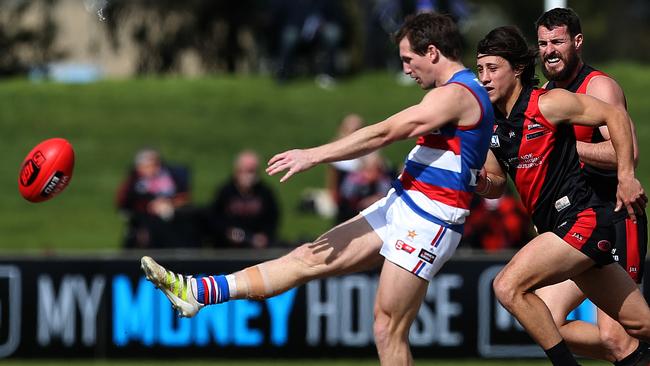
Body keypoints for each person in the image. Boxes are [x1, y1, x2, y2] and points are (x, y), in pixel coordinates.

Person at [141, 12, 494, 365]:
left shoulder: (457, 94)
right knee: (306, 258)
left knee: (387, 328)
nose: (405, 69)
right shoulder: (454, 95)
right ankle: (197, 292)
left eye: (408, 59)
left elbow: (385, 132)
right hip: (402, 204)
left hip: (429, 220)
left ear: (432, 52)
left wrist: (313, 155)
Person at [474, 25, 650, 366]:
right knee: (637, 325)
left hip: (583, 220)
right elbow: (495, 182)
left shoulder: (548, 103)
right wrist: (480, 181)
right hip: (562, 230)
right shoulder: (490, 125)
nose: (484, 78)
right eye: (480, 69)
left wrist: (626, 176)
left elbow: (613, 115)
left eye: (492, 68)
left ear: (517, 69)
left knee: (507, 286)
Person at [531, 8, 649, 365]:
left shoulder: (598, 87)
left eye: (557, 41)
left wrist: (565, 146)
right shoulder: (546, 96)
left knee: (618, 336)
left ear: (577, 42)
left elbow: (625, 152)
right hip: (576, 225)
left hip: (615, 220)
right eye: (542, 43)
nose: (549, 50)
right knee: (544, 319)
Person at [116, 148, 197, 248]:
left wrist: (169, 203)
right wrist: (151, 205)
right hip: (146, 216)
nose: (149, 169)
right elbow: (125, 202)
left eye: (152, 165)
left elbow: (184, 197)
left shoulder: (171, 176)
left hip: (174, 211)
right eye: (144, 166)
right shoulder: (135, 182)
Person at [207, 150, 280, 248]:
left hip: (256, 248)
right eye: (247, 171)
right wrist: (227, 233)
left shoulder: (265, 193)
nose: (250, 176)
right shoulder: (225, 192)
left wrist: (264, 236)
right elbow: (214, 218)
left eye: (253, 171)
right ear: (237, 171)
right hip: (227, 247)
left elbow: (272, 218)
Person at [336, 151, 394, 223]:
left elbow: (388, 195)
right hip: (352, 215)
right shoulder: (354, 180)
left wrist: (378, 199)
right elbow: (346, 195)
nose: (370, 174)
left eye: (376, 170)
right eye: (369, 170)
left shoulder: (384, 180)